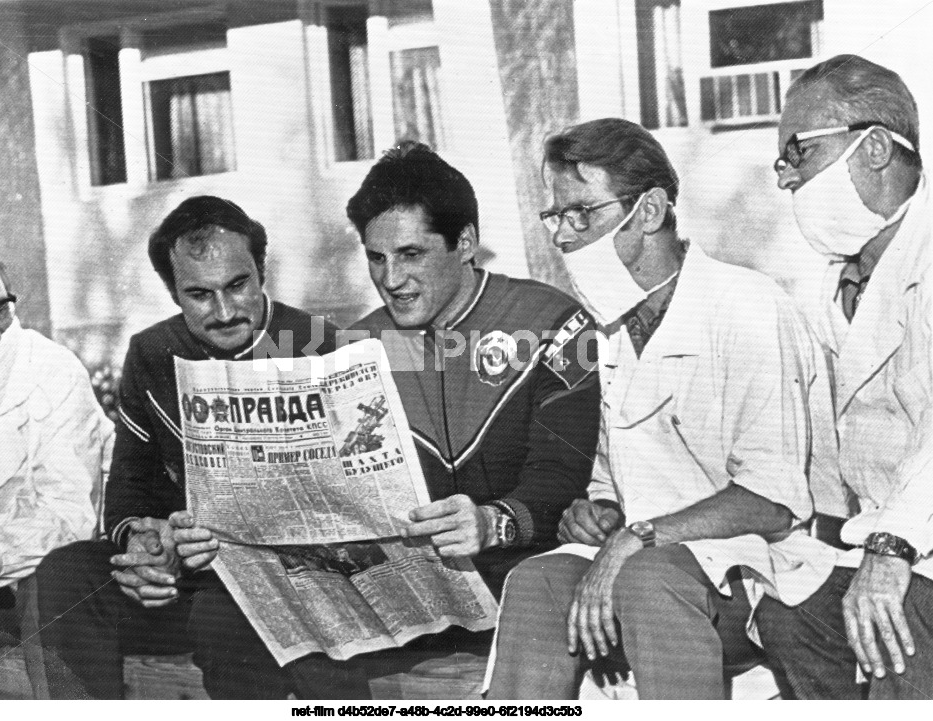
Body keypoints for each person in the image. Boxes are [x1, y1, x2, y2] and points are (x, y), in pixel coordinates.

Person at [484, 118, 844, 699]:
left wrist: (637, 538)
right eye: (557, 216)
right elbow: (610, 480)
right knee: (539, 581)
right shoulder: (606, 332)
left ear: (649, 211)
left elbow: (775, 501)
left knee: (650, 579)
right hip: (647, 565)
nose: (563, 236)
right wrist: (595, 510)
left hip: (762, 571)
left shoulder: (745, 306)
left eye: (583, 213)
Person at [36, 196, 344, 699]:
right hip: (188, 574)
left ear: (261, 270)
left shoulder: (317, 343)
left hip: (288, 583)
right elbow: (129, 485)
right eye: (199, 294)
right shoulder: (152, 351)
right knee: (66, 574)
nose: (224, 312)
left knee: (223, 616)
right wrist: (143, 542)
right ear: (173, 292)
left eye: (238, 286)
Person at [326, 141, 602, 697]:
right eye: (376, 258)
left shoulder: (554, 321)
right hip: (401, 588)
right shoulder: (355, 345)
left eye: (410, 254)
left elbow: (563, 479)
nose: (391, 278)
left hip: (523, 572)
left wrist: (494, 523)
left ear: (466, 243)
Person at [756, 54, 933, 700]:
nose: (784, 179)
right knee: (785, 610)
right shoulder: (831, 285)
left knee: (894, 613)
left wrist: (890, 547)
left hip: (912, 545)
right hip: (890, 544)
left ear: (876, 147)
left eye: (797, 153)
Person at [0, 244, 110, 697]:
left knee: (48, 589)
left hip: (51, 583)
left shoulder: (53, 371)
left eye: (0, 311)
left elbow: (69, 517)